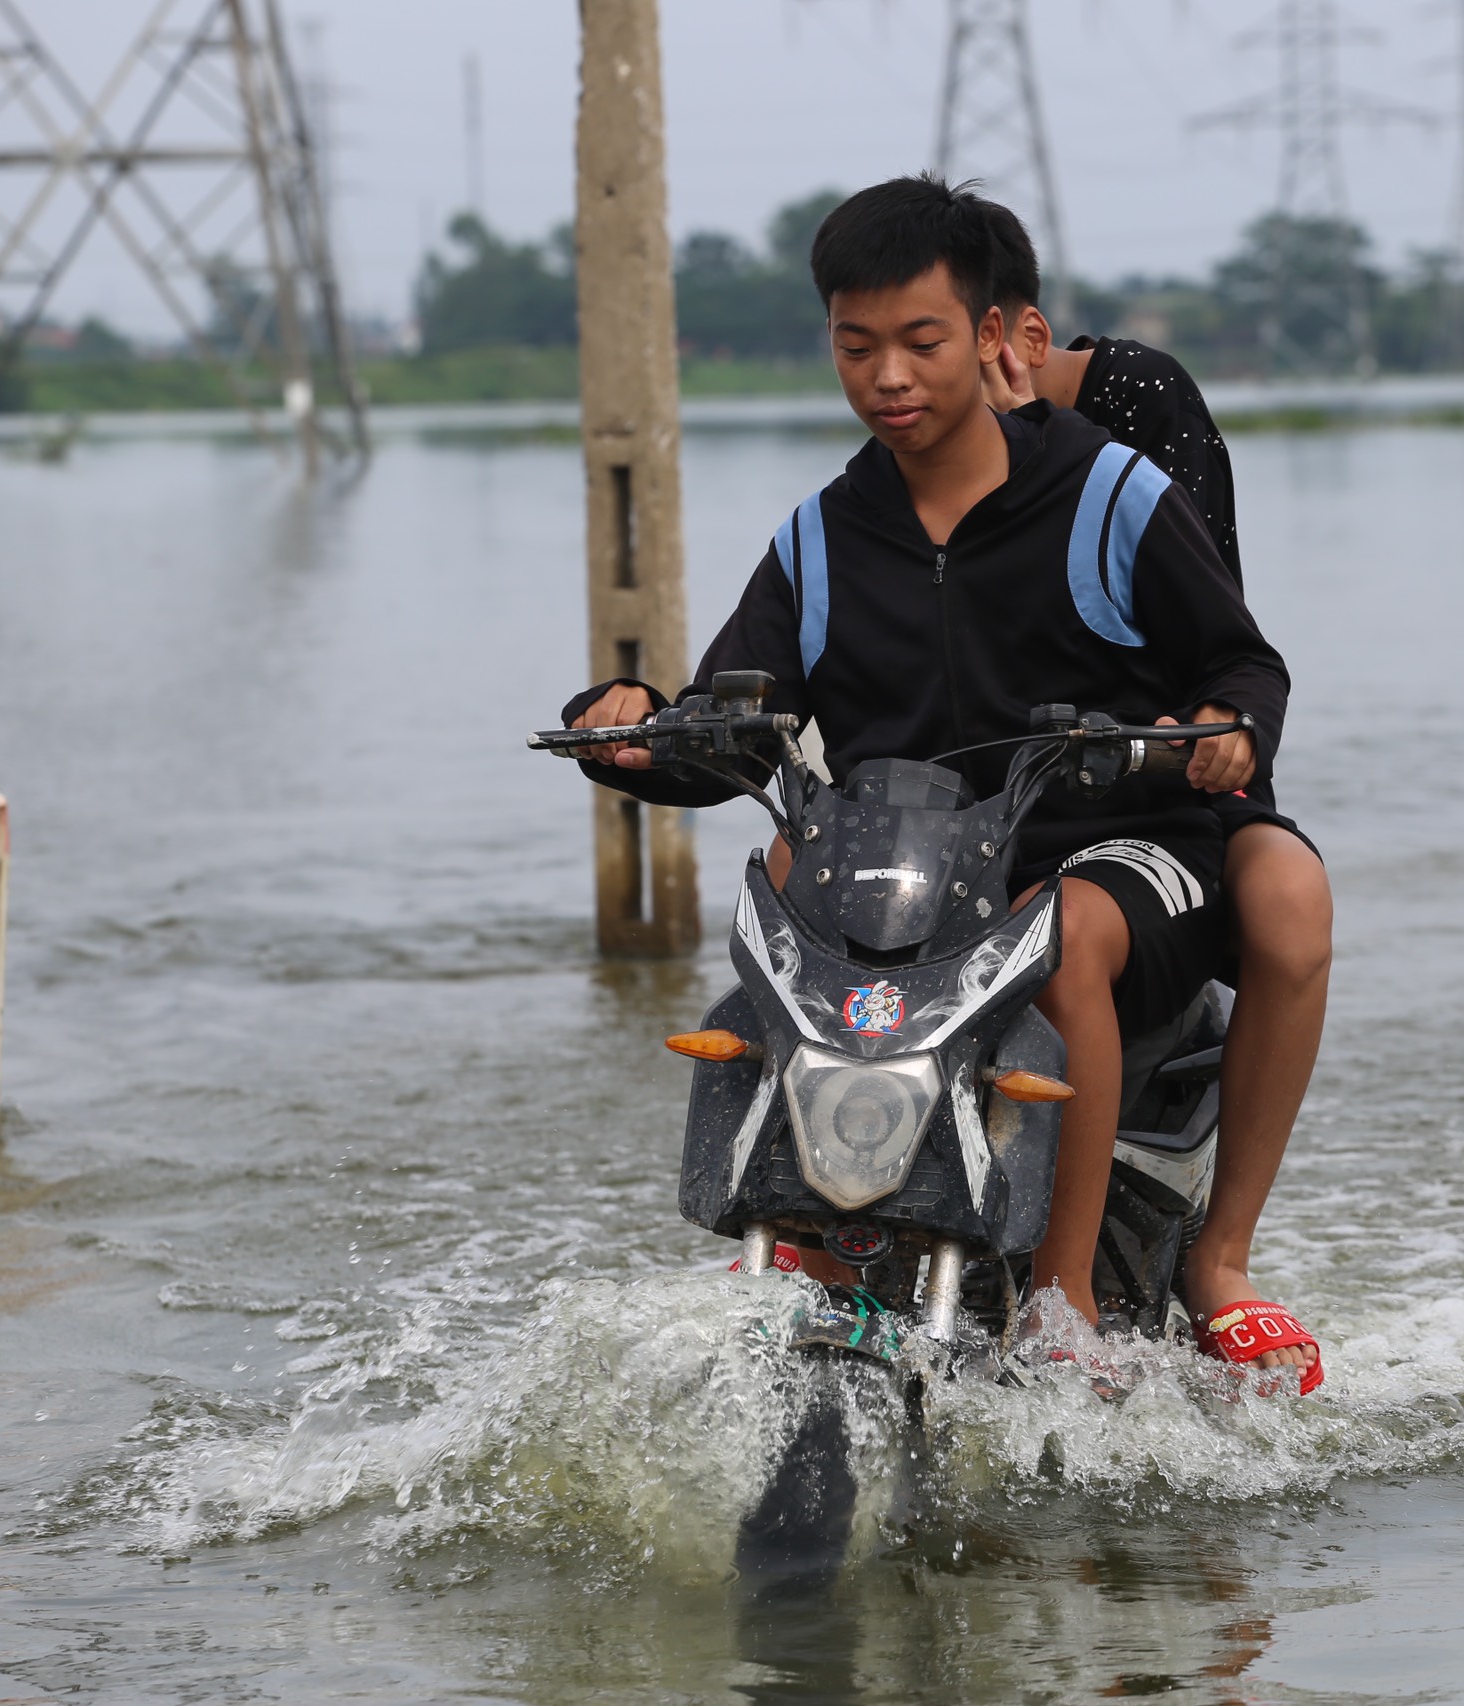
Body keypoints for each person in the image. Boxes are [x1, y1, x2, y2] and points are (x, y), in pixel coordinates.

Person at [560, 176, 1322, 1390]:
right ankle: (804, 1245)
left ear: (988, 335)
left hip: (1119, 845)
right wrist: (639, 726)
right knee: (780, 877)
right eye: (856, 347)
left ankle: (1064, 1300)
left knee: (1058, 935)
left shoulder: (1109, 495)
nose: (888, 377)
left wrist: (1227, 724)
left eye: (919, 341)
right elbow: (733, 723)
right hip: (913, 865)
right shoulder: (819, 535)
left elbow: (1241, 659)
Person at [973, 204, 1333, 1384]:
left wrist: (1209, 741)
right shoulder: (898, 468)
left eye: (942, 349)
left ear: (1020, 332)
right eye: (876, 351)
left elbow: (1209, 627)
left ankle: (1217, 1255)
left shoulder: (1132, 405)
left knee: (1287, 898)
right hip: (1002, 800)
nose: (910, 383)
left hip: (1169, 765)